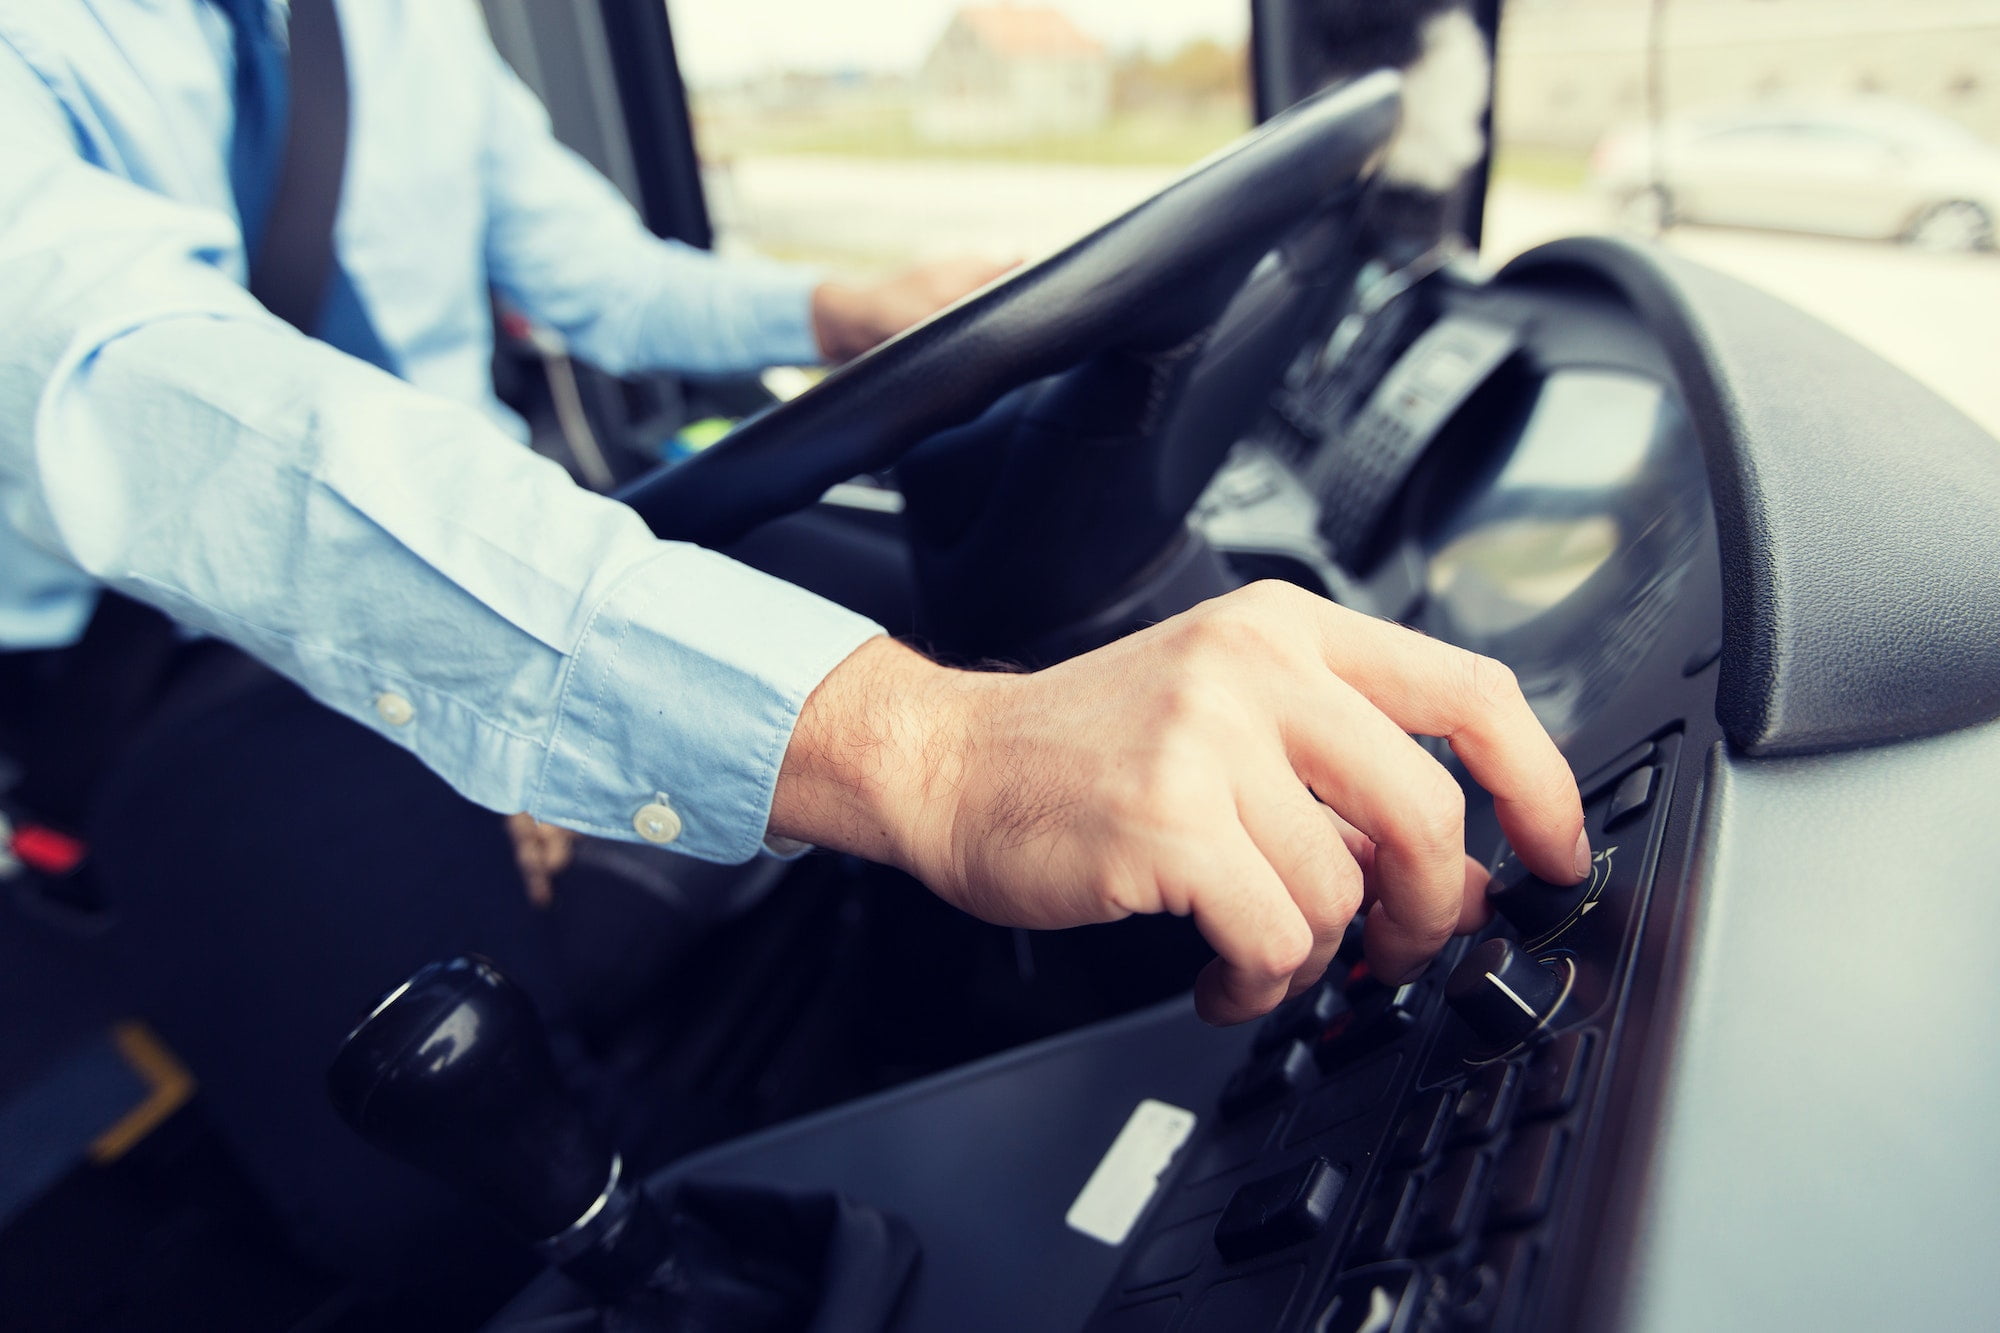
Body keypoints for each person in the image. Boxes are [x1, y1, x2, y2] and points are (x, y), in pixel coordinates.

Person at [0, 0, 1589, 1313]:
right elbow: (154, 395)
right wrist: (930, 747)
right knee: (444, 1237)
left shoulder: (403, 23)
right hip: (184, 652)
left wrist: (842, 302)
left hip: (501, 526)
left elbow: (599, 276)